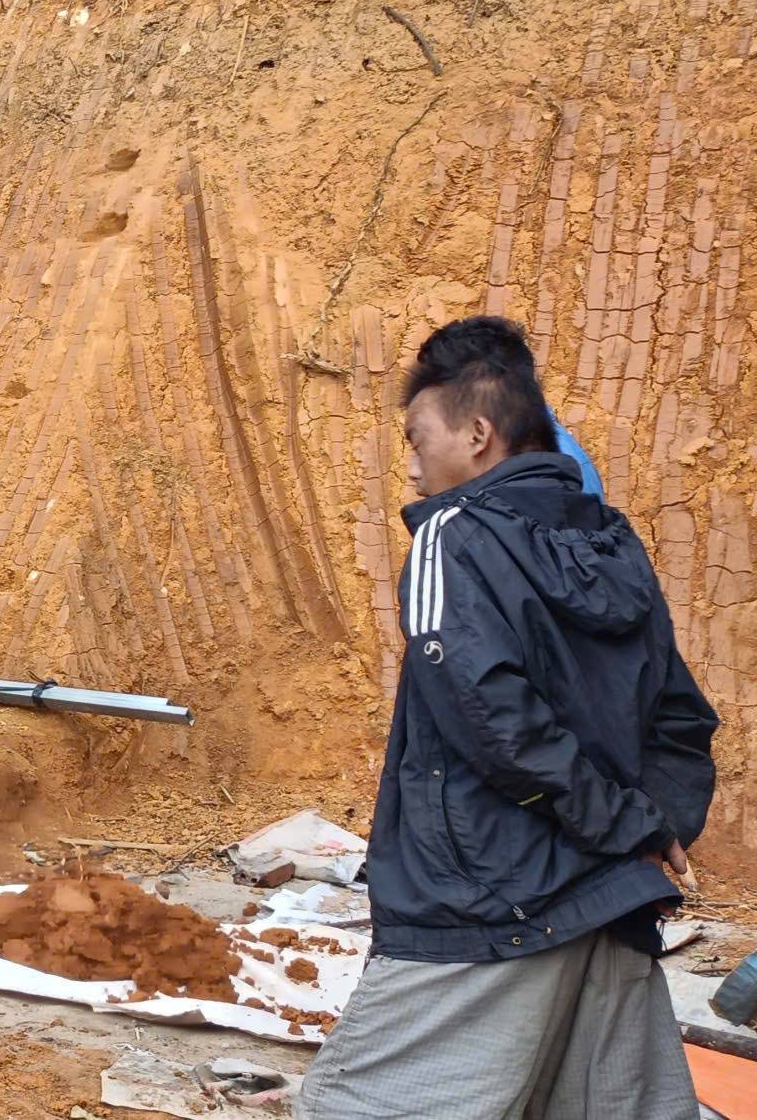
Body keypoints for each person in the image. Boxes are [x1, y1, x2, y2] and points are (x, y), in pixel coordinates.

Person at [296, 316, 716, 1120]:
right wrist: (645, 832)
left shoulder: (453, 536)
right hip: (607, 906)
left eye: (418, 440)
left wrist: (621, 828)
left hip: (485, 903)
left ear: (479, 434)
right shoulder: (615, 544)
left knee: (355, 1105)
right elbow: (681, 717)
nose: (413, 469)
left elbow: (490, 717)